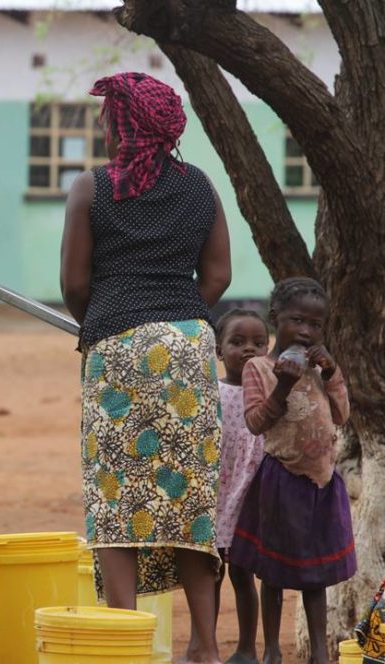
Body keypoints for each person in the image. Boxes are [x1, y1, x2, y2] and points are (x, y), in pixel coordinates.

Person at [60, 71, 231, 664]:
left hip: (118, 350)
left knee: (116, 496)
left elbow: (75, 283)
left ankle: (125, 643)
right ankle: (205, 646)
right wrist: (178, 317)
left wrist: (111, 317)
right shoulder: (201, 188)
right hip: (189, 346)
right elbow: (218, 277)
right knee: (189, 499)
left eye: (109, 118)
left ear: (124, 125)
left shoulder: (93, 189)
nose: (105, 127)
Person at [229, 277, 355, 664]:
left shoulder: (320, 369)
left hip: (321, 483)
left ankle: (320, 654)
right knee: (273, 571)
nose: (305, 330)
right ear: (275, 319)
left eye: (315, 325)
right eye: (296, 320)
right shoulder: (259, 368)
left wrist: (331, 371)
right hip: (282, 481)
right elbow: (255, 422)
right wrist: (283, 386)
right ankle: (270, 652)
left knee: (314, 576)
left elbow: (341, 414)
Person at [213, 309, 270, 664]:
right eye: (237, 342)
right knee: (211, 573)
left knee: (243, 573)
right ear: (218, 350)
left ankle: (247, 647)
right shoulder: (210, 392)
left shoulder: (272, 394)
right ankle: (204, 644)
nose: (248, 349)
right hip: (217, 496)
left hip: (251, 495)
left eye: (259, 342)